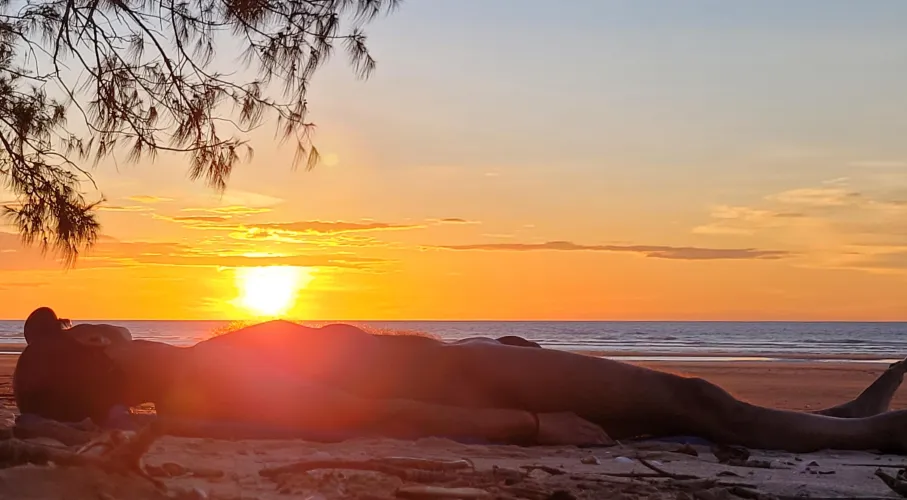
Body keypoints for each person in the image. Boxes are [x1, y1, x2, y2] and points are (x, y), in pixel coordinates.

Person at [12, 306, 907, 452]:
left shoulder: (198, 373)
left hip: (473, 359)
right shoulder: (210, 380)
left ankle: (835, 422)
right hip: (474, 383)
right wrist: (528, 425)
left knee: (695, 413)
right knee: (693, 404)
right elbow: (363, 409)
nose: (101, 324)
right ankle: (868, 435)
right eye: (87, 332)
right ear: (97, 355)